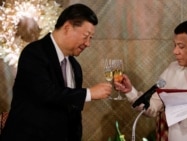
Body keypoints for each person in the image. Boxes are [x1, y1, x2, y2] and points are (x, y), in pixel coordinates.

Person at [0, 3, 112, 141]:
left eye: (91, 38)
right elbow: (46, 93)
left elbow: (73, 114)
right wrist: (89, 93)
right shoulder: (34, 53)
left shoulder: (75, 67)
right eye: (85, 36)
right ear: (67, 28)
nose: (88, 43)